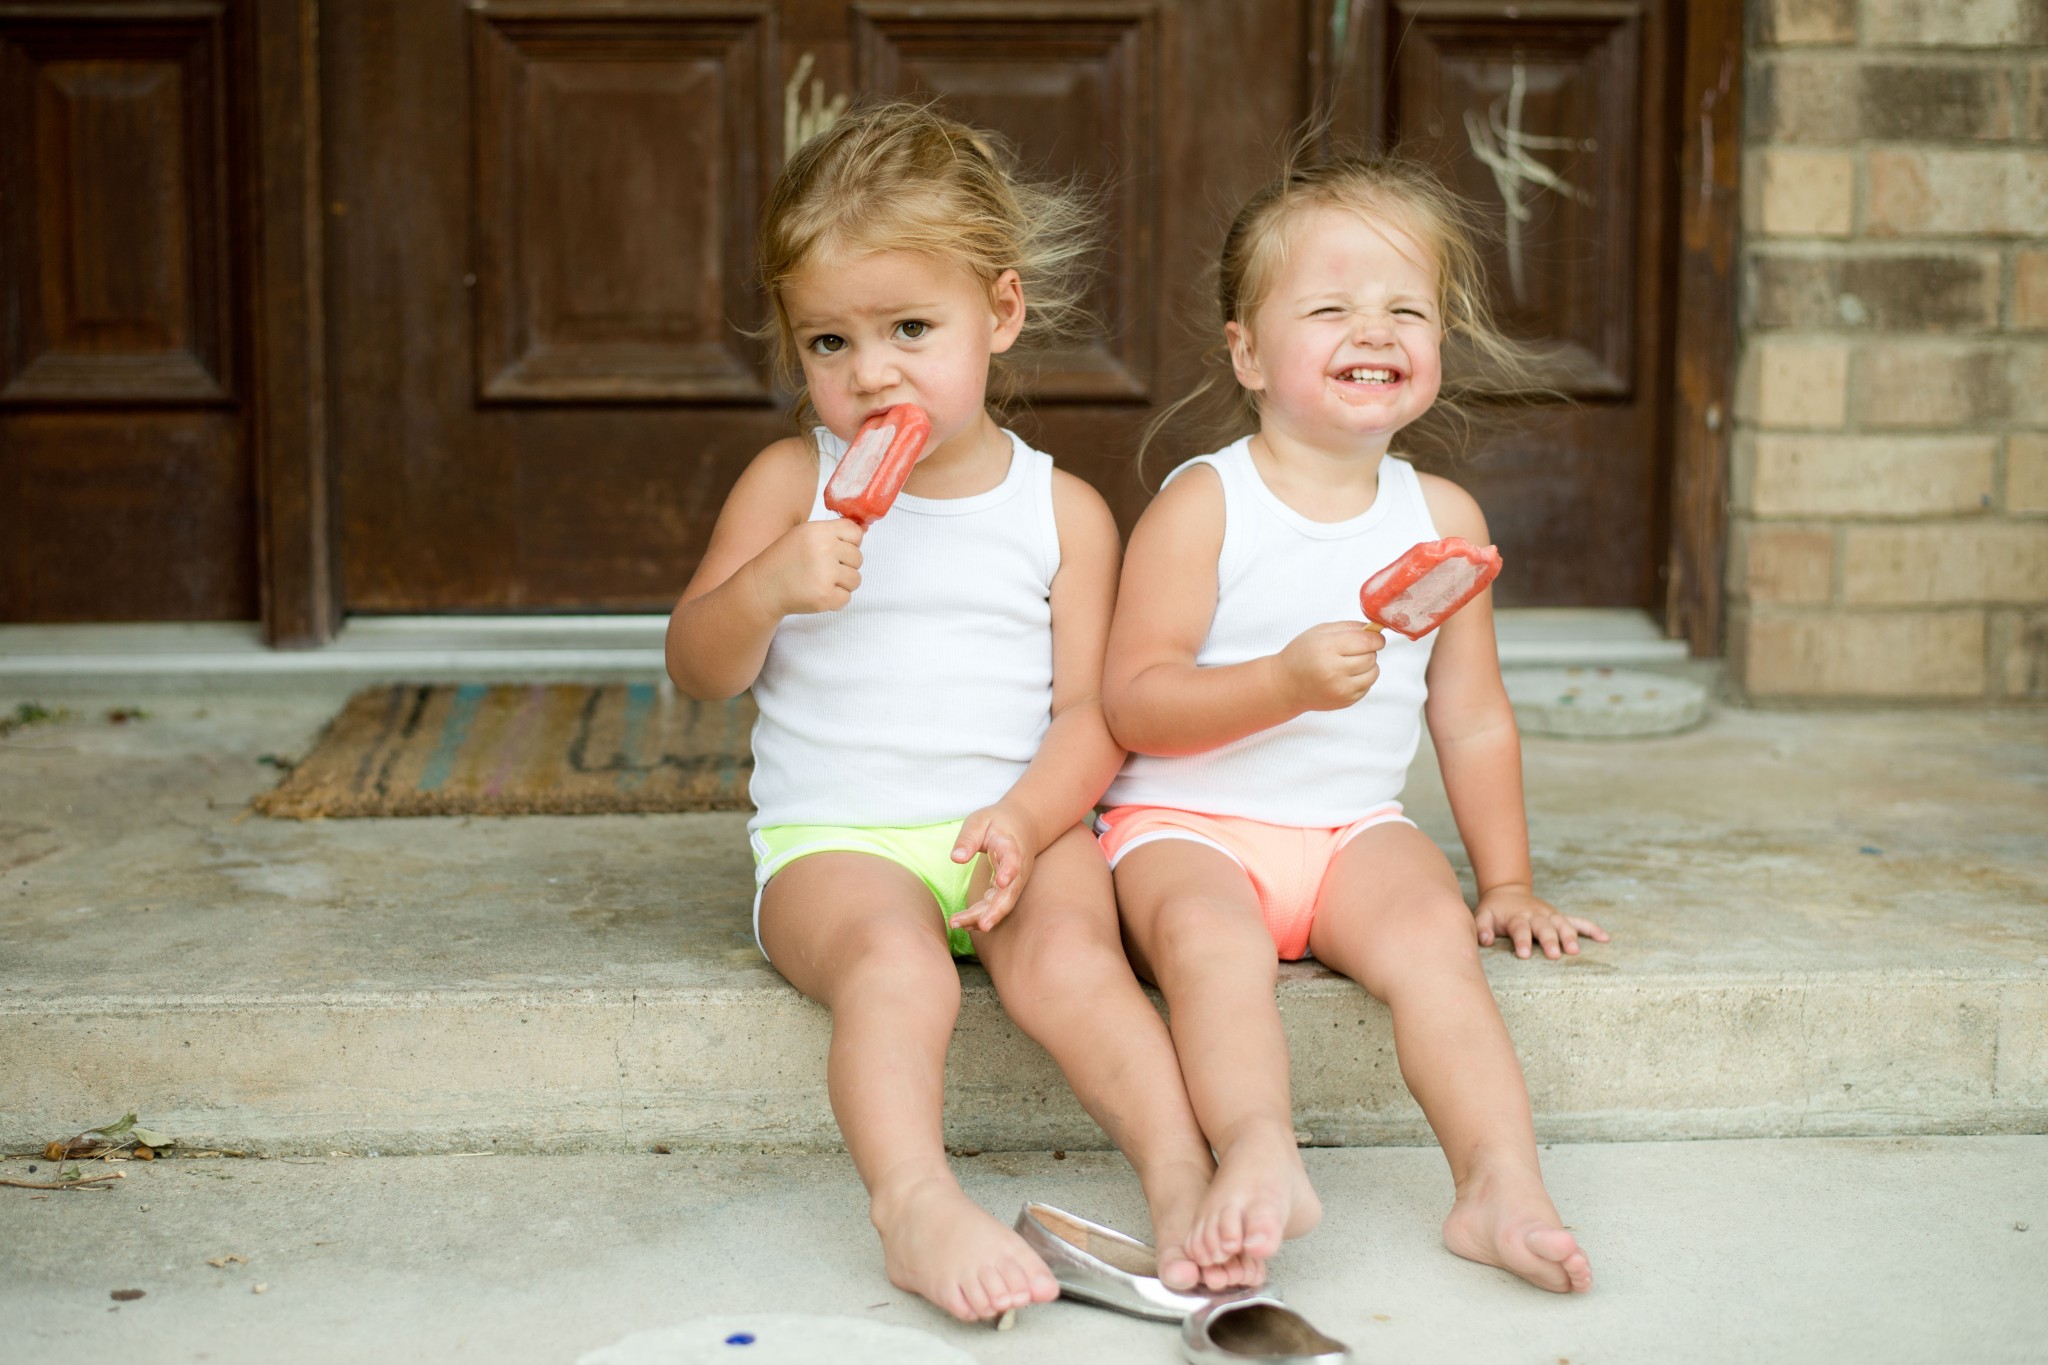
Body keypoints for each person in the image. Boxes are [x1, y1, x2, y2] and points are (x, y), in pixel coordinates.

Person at [665, 102, 1249, 1324]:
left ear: (1001, 313)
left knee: (1081, 966)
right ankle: (913, 1201)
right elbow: (697, 666)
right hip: (836, 844)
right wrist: (767, 586)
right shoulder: (789, 482)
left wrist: (1030, 822)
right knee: (895, 968)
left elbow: (1094, 713)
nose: (869, 371)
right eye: (828, 341)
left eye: (910, 329)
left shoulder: (1063, 513)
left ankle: (1183, 1175)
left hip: (1010, 824)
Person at [1097, 154, 1608, 1295]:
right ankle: (1259, 1152)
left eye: (1403, 309)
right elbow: (1132, 701)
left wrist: (1506, 881)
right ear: (1245, 353)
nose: (1368, 328)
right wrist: (1277, 684)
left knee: (1433, 947)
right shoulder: (1204, 502)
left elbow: (1469, 719)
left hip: (1349, 830)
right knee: (1213, 950)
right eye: (1327, 307)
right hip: (1187, 823)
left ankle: (1497, 1185)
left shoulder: (1438, 517)